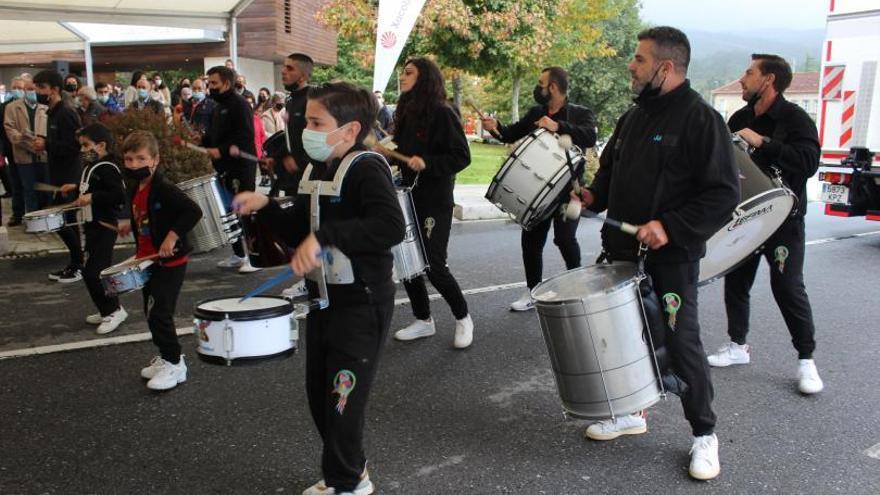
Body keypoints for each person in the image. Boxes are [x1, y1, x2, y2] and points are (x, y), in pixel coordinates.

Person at [574, 27, 739, 481]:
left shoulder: (702, 119)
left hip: (671, 259)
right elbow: (612, 171)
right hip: (622, 251)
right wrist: (593, 196)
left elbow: (723, 194)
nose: (631, 65)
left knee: (680, 342)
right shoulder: (633, 117)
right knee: (628, 336)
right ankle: (632, 412)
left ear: (666, 68)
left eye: (640, 59)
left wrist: (670, 226)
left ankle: (704, 433)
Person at [233, 81, 404, 495]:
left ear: (349, 129)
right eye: (306, 119)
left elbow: (390, 226)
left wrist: (327, 237)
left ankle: (347, 483)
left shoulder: (367, 167)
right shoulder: (316, 167)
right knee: (321, 395)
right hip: (324, 299)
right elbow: (302, 227)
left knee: (344, 398)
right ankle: (350, 470)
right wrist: (268, 206)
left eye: (315, 121)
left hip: (362, 301)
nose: (305, 128)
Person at [707, 54, 824, 395]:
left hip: (784, 222)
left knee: (787, 287)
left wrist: (764, 142)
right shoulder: (740, 117)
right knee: (736, 282)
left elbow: (809, 163)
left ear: (768, 80)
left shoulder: (795, 119)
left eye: (749, 73)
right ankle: (737, 346)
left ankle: (806, 360)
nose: (742, 80)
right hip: (744, 219)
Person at [481, 67, 597, 311]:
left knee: (565, 239)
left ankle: (578, 288)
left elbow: (589, 138)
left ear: (553, 87)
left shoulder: (580, 113)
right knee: (531, 241)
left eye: (541, 83)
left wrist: (558, 126)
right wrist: (495, 126)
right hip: (539, 191)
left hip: (571, 190)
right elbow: (510, 133)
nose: (538, 87)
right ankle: (533, 291)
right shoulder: (536, 112)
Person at [382, 57, 474, 349]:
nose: (403, 77)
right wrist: (389, 151)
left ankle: (463, 318)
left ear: (425, 77)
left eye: (409, 73)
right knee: (407, 258)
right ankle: (423, 320)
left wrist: (428, 163)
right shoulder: (407, 110)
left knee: (434, 265)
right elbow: (403, 149)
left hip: (435, 200)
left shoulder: (443, 112)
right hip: (408, 196)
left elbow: (462, 156)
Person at [117, 131, 202, 390]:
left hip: (169, 262)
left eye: (140, 159)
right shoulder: (134, 185)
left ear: (155, 160)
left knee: (160, 313)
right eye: (129, 159)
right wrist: (125, 224)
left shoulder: (164, 188)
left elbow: (193, 211)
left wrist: (172, 237)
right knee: (150, 311)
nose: (134, 165)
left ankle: (176, 364)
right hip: (147, 260)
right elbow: (139, 214)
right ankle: (165, 356)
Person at [59, 123, 128, 334]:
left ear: (101, 145)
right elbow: (90, 188)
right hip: (91, 226)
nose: (82, 150)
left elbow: (119, 195)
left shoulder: (109, 167)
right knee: (92, 272)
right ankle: (105, 308)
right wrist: (74, 188)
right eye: (81, 146)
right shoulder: (92, 166)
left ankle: (114, 310)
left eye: (86, 145)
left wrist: (93, 197)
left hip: (105, 226)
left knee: (94, 273)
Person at [202, 65, 260, 273]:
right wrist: (202, 142)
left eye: (214, 83)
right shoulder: (218, 106)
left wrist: (222, 150)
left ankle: (254, 257)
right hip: (224, 167)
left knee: (244, 210)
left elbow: (244, 136)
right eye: (209, 83)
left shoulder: (240, 104)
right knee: (228, 211)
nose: (210, 87)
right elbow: (215, 135)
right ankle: (238, 254)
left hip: (241, 165)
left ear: (226, 83)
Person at [33, 69, 85, 283]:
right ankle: (77, 263)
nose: (37, 92)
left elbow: (75, 146)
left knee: (63, 222)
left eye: (41, 88)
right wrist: (44, 144)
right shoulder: (52, 112)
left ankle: (79, 265)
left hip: (68, 176)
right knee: (64, 222)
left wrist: (47, 144)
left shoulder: (66, 112)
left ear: (54, 89)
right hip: (56, 174)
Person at [4, 74, 49, 217]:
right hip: (23, 155)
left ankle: (46, 217)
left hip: (43, 154)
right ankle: (33, 218)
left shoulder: (45, 107)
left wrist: (42, 144)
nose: (32, 92)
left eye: (34, 89)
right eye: (28, 89)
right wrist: (27, 142)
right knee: (28, 188)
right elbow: (10, 130)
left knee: (44, 188)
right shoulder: (12, 107)